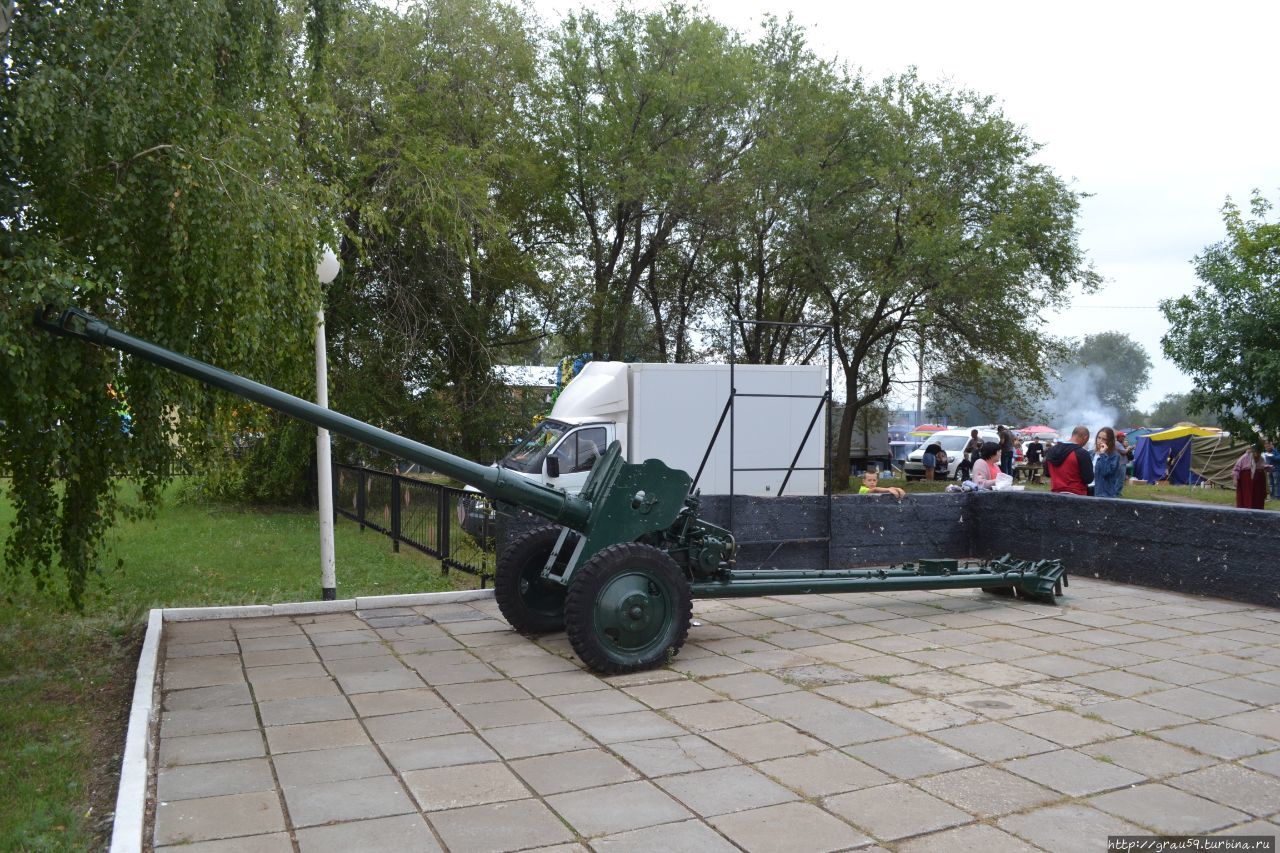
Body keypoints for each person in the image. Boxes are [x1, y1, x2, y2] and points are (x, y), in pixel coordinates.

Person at [1046, 425, 1093, 496]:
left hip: (1055, 495)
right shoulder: (1082, 453)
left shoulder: (1051, 451)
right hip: (1077, 496)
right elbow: (1088, 479)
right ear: (1085, 437)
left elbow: (1047, 473)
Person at [1093, 426, 1126, 498]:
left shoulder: (1114, 456)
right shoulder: (1092, 453)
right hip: (1090, 491)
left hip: (1104, 494)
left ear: (1109, 441)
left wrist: (1103, 454)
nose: (1100, 441)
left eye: (1104, 439)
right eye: (1099, 437)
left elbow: (1105, 472)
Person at [1233, 443, 1268, 509]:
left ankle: (1258, 511)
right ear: (1253, 451)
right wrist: (1235, 479)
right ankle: (1245, 511)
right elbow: (1236, 469)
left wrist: (1266, 467)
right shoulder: (1245, 457)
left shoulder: (1261, 458)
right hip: (1246, 481)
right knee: (1246, 497)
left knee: (1258, 497)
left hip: (1258, 481)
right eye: (1255, 452)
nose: (1257, 454)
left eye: (1259, 452)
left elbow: (1262, 467)